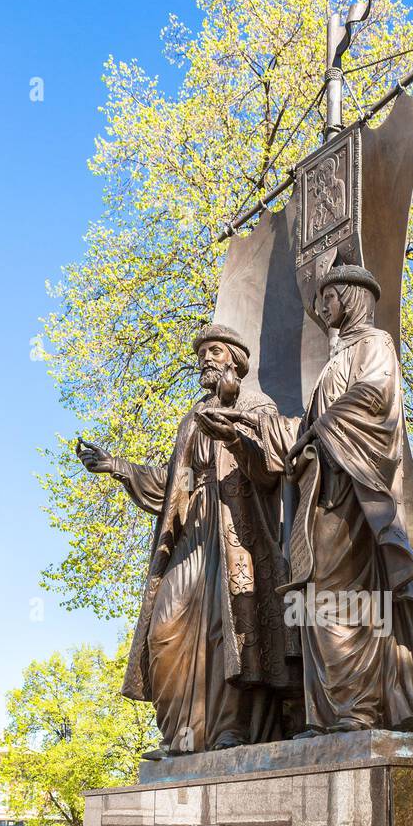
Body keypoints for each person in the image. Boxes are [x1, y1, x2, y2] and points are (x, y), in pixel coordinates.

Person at [76, 324, 296, 756]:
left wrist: (234, 434)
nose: (206, 359)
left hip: (236, 530)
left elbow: (274, 466)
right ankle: (182, 735)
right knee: (165, 628)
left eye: (215, 351)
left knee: (228, 630)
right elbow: (172, 480)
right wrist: (115, 465)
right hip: (194, 526)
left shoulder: (257, 406)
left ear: (235, 358)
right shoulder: (192, 417)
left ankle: (230, 730)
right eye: (202, 353)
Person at [278, 264, 413, 735]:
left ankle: (358, 709)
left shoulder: (375, 344)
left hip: (353, 488)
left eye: (329, 297)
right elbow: (318, 416)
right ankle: (328, 714)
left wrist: (319, 432)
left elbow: (375, 396)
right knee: (318, 593)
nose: (323, 307)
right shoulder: (336, 356)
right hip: (324, 485)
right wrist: (301, 440)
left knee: (343, 598)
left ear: (351, 296)